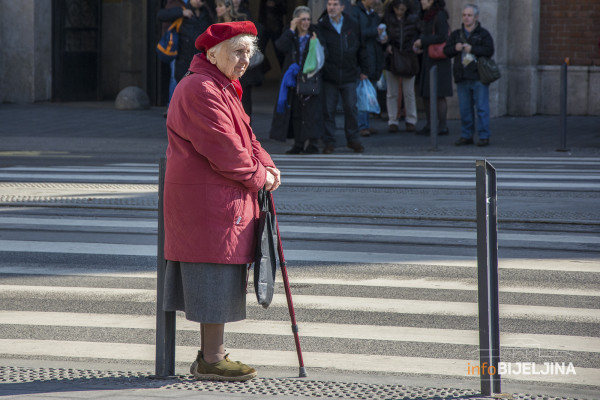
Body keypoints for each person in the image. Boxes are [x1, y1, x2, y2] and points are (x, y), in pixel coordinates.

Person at [163, 21, 281, 382]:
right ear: (213, 54)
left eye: (249, 52)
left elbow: (247, 138)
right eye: (238, 52)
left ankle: (212, 356)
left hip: (218, 201)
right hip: (208, 204)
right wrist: (261, 176)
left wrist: (269, 166)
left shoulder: (222, 85)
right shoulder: (201, 88)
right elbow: (226, 150)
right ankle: (211, 359)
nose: (245, 60)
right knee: (214, 277)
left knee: (219, 276)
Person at [269, 6, 323, 154]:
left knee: (312, 111)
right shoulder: (291, 34)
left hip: (311, 78)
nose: (306, 22)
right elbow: (280, 46)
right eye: (302, 19)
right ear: (296, 20)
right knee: (296, 112)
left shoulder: (315, 33)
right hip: (294, 79)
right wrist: (291, 29)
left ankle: (312, 144)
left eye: (308, 19)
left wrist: (315, 42)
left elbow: (323, 54)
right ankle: (298, 144)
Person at [318, 0, 367, 154]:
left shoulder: (352, 23)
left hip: (349, 74)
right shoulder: (322, 24)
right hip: (329, 75)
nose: (331, 7)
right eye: (329, 4)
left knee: (351, 109)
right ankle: (329, 142)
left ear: (342, 7)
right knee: (328, 110)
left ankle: (353, 140)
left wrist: (365, 70)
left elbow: (362, 47)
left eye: (335, 4)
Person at [443, 4, 494, 146]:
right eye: (464, 15)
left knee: (482, 108)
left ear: (476, 17)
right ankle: (467, 135)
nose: (466, 18)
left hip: (479, 76)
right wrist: (455, 48)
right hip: (462, 76)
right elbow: (446, 51)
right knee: (465, 109)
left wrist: (473, 49)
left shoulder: (483, 34)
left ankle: (484, 136)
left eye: (469, 15)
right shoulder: (456, 34)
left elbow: (489, 50)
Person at [215, 0, 264, 120]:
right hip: (224, 67)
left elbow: (254, 36)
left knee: (244, 100)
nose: (217, 9)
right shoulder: (216, 25)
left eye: (220, 6)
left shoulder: (241, 20)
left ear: (228, 7)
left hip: (241, 68)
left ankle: (246, 128)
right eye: (217, 6)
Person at [412, 0, 452, 136]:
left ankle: (442, 125)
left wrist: (423, 42)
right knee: (426, 93)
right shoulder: (428, 15)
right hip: (429, 59)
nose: (421, 1)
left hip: (438, 61)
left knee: (439, 94)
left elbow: (442, 36)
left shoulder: (439, 15)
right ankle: (430, 124)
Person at [383, 0, 420, 132]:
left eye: (402, 10)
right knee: (392, 92)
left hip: (406, 55)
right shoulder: (389, 19)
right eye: (398, 9)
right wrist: (386, 45)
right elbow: (382, 36)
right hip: (395, 56)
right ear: (393, 8)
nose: (400, 12)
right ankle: (393, 120)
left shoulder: (412, 19)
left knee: (408, 92)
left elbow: (419, 35)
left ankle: (410, 119)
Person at [158, 0, 215, 83]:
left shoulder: (207, 13)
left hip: (201, 60)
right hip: (183, 59)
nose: (198, 1)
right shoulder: (182, 10)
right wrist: (181, 13)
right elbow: (160, 15)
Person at [351, 0, 385, 137]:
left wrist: (382, 36)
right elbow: (357, 32)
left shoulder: (373, 14)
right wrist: (375, 31)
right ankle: (362, 125)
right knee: (362, 93)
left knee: (368, 92)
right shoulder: (356, 12)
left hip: (373, 55)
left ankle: (365, 124)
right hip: (363, 57)